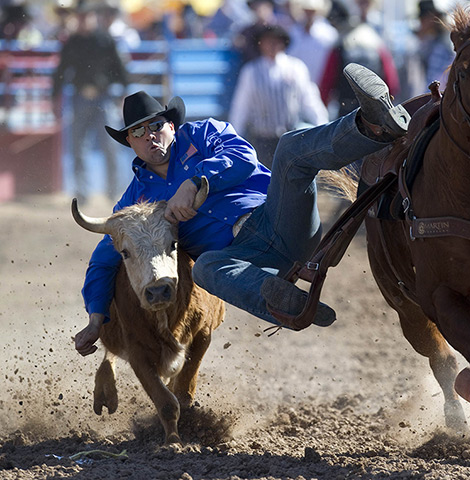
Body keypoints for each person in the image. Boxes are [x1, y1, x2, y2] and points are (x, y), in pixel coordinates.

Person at [74, 63, 411, 356]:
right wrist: (96, 317)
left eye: (156, 127)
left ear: (172, 126)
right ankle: (290, 305)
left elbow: (243, 157)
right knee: (206, 268)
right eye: (138, 132)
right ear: (129, 143)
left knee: (290, 148)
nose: (151, 137)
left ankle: (373, 126)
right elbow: (105, 258)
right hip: (242, 258)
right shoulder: (136, 203)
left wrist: (195, 182)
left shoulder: (203, 134)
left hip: (277, 218)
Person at [52, 3, 129, 204]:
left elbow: (120, 70)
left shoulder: (105, 40)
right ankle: (82, 193)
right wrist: (54, 97)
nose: (84, 21)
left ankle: (113, 191)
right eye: (81, 17)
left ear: (94, 18)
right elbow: (60, 72)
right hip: (80, 98)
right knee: (78, 147)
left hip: (103, 98)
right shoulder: (72, 42)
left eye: (87, 17)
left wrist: (123, 94)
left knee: (110, 145)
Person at [228, 24, 329, 168]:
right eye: (268, 41)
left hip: (290, 136)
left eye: (276, 41)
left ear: (283, 43)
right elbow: (241, 106)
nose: (272, 45)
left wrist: (322, 126)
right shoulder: (251, 71)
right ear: (260, 44)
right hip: (262, 139)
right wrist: (234, 136)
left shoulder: (296, 68)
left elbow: (309, 100)